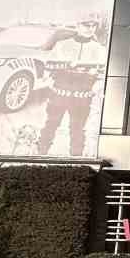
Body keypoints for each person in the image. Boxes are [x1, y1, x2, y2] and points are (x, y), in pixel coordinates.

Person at [36, 12, 106, 156]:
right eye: (86, 24)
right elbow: (49, 67)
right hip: (59, 95)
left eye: (94, 25)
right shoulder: (62, 45)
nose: (90, 28)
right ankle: (40, 156)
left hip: (82, 98)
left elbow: (101, 73)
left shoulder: (100, 49)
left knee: (78, 131)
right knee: (50, 125)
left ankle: (77, 163)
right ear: (78, 25)